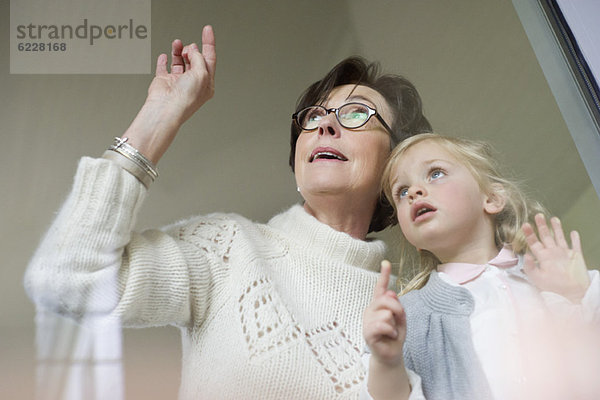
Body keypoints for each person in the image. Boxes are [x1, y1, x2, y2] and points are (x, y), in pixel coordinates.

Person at [24, 25, 432, 399]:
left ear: (397, 163)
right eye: (314, 116)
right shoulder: (229, 248)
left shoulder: (415, 309)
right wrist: (159, 116)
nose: (325, 125)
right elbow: (65, 278)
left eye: (358, 113)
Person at [362, 133, 600, 400]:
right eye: (402, 192)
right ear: (412, 238)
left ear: (492, 199)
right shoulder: (408, 316)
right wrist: (387, 362)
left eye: (436, 173)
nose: (414, 192)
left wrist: (577, 293)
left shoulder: (550, 275)